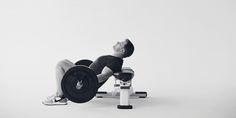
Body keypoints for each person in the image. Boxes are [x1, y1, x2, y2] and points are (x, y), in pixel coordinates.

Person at [42, 39, 135, 105]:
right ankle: (61, 94)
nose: (118, 42)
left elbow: (104, 75)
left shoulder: (115, 62)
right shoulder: (114, 59)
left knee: (60, 64)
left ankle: (60, 96)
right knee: (63, 62)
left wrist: (84, 80)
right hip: (84, 75)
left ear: (122, 50)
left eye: (121, 43)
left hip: (85, 81)